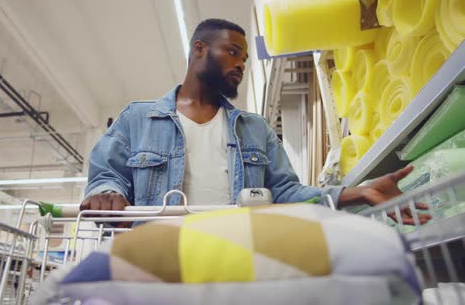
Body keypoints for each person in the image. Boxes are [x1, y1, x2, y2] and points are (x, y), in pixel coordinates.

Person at [81, 18, 429, 225]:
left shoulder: (255, 129)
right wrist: (106, 193)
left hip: (236, 261)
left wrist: (360, 192)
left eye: (245, 59)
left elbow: (287, 192)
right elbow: (107, 175)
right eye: (232, 52)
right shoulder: (138, 119)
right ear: (199, 49)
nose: (241, 65)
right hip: (157, 263)